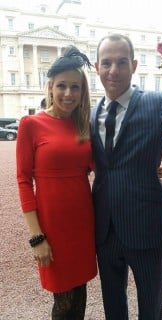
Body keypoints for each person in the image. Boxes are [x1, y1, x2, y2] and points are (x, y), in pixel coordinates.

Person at [90, 32, 162, 319]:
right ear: (96, 67)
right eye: (106, 63)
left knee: (151, 309)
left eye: (121, 62)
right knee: (113, 308)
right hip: (104, 229)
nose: (113, 71)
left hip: (147, 227)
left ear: (135, 65)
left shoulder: (160, 103)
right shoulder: (89, 114)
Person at [16, 46, 97, 320]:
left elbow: (106, 167)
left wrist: (144, 168)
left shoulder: (83, 125)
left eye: (75, 87)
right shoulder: (31, 124)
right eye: (62, 85)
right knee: (63, 303)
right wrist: (37, 237)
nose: (68, 93)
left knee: (79, 297)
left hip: (83, 224)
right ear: (50, 87)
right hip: (52, 227)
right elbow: (24, 181)